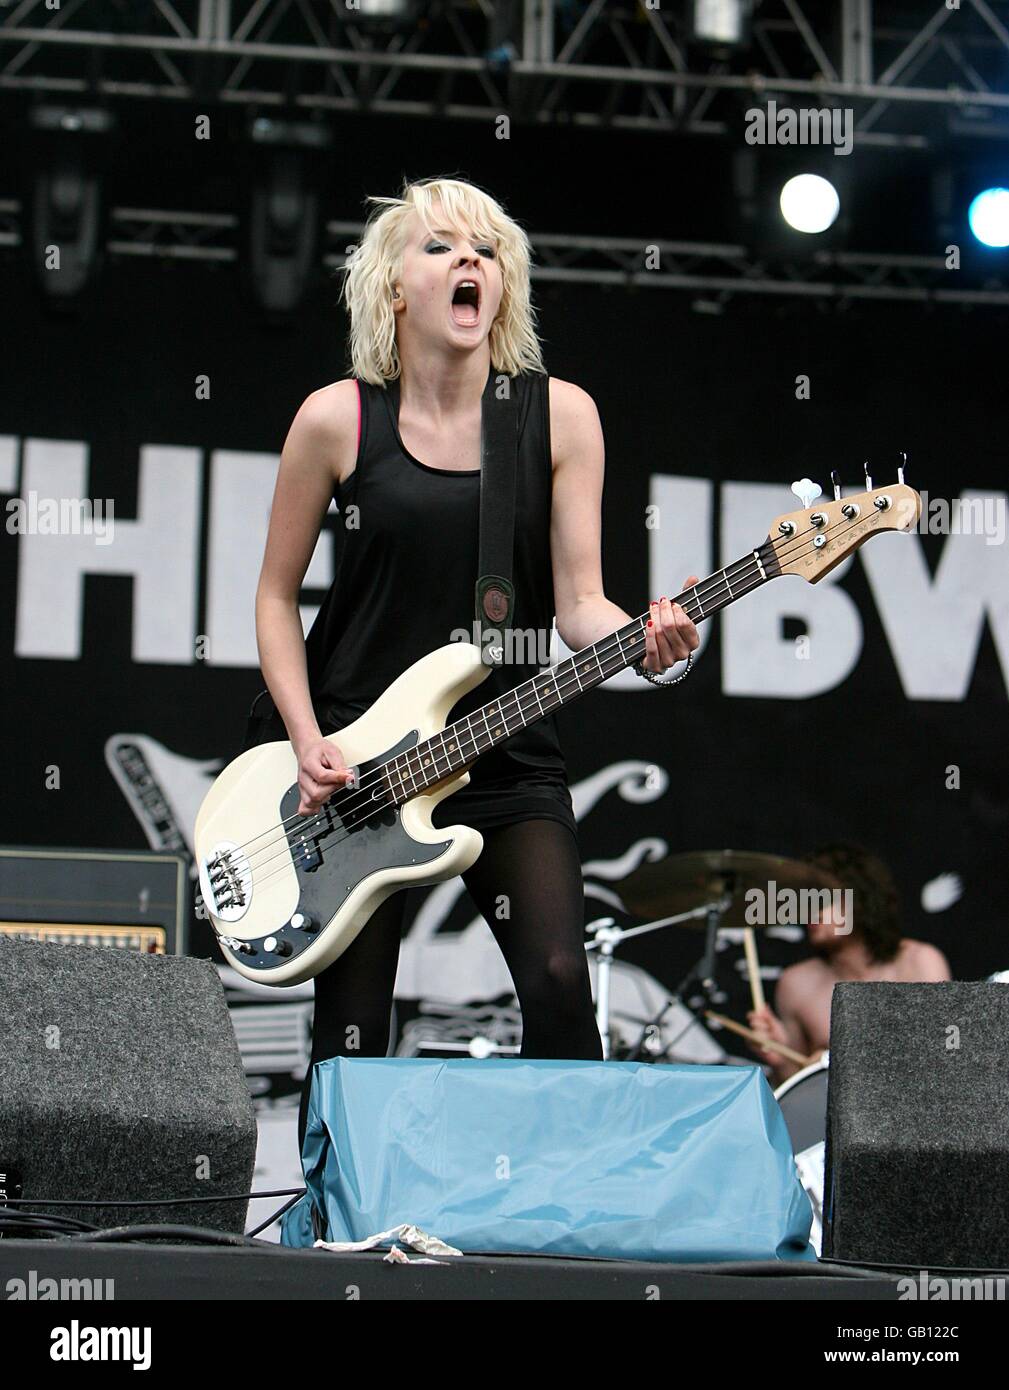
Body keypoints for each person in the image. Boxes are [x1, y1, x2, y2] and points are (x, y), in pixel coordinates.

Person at [251, 176, 701, 1149]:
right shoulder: (336, 418)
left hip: (501, 747)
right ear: (393, 288)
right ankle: (335, 1229)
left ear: (505, 286)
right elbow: (275, 597)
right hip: (360, 769)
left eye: (486, 250)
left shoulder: (559, 416)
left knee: (555, 977)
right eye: (440, 246)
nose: (468, 261)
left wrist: (656, 645)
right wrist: (305, 740)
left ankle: (570, 1206)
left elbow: (580, 606)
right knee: (356, 1021)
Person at [746, 842, 951, 1086]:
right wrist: (781, 1060)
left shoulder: (920, 962)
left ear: (862, 899)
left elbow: (946, 1060)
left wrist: (835, 1060)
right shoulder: (795, 984)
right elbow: (798, 1097)